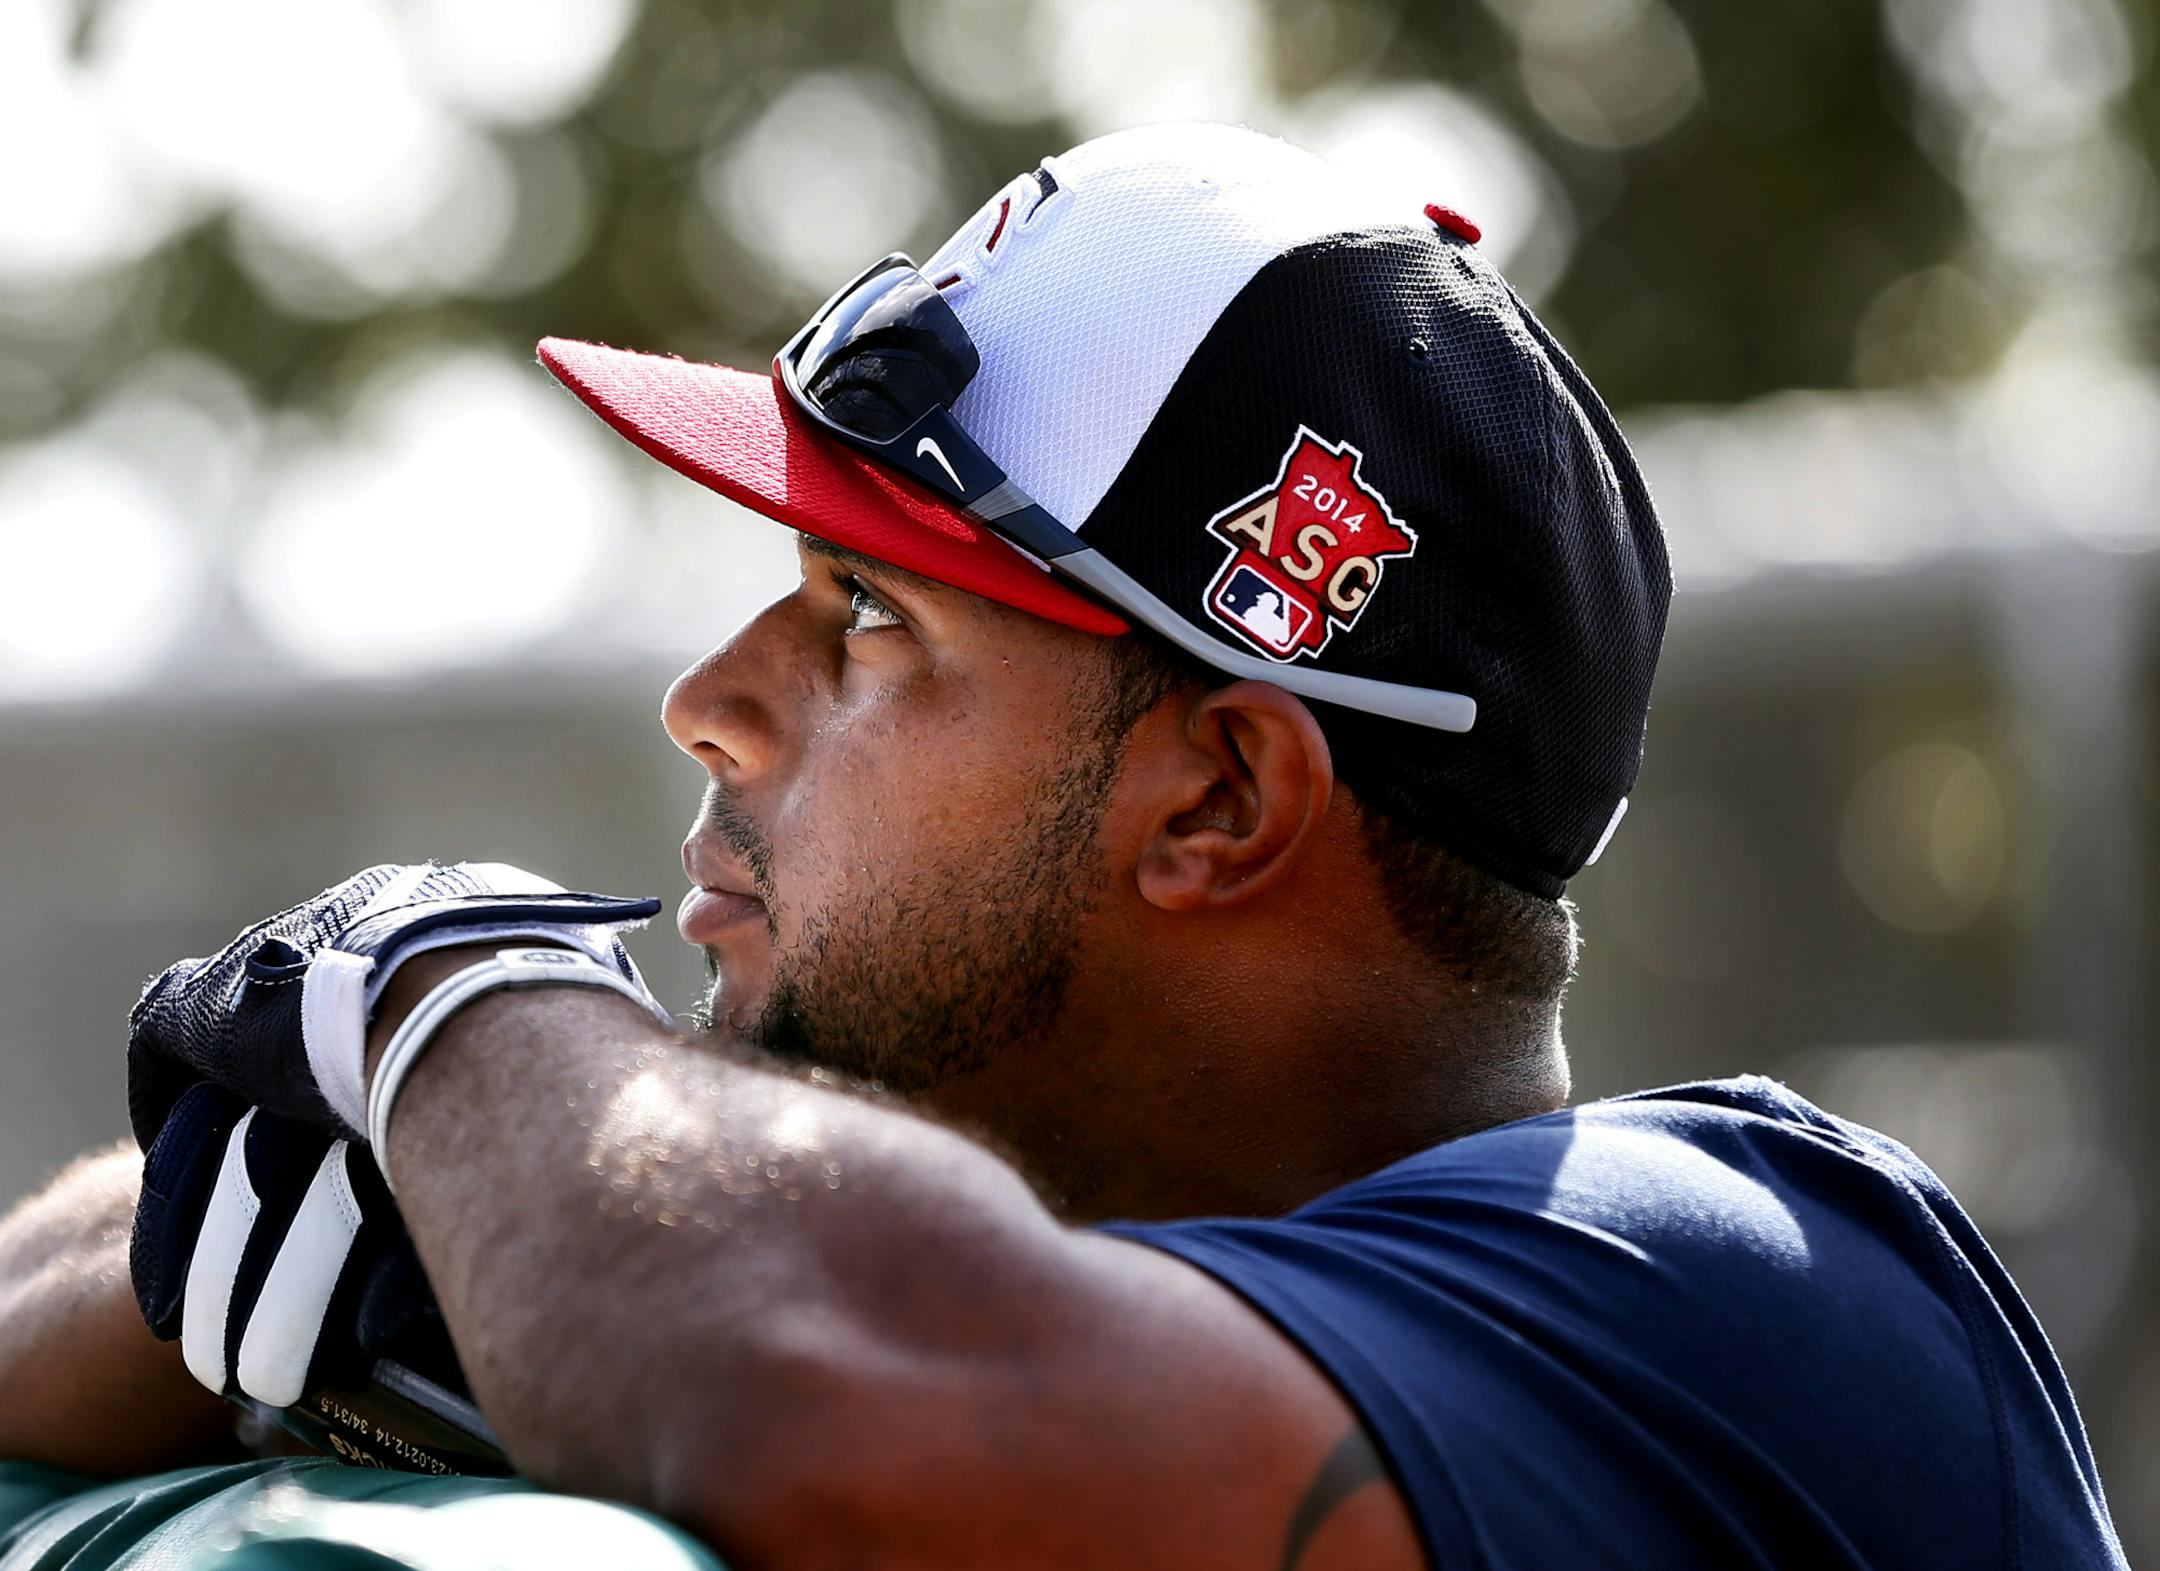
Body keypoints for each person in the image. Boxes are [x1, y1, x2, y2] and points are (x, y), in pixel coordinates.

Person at [0, 124, 2128, 1571]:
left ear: (1216, 798)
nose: (717, 692)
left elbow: (817, 1393)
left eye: (870, 618)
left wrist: (446, 1003)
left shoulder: (1752, 1294)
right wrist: (451, 1235)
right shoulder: (997, 1294)